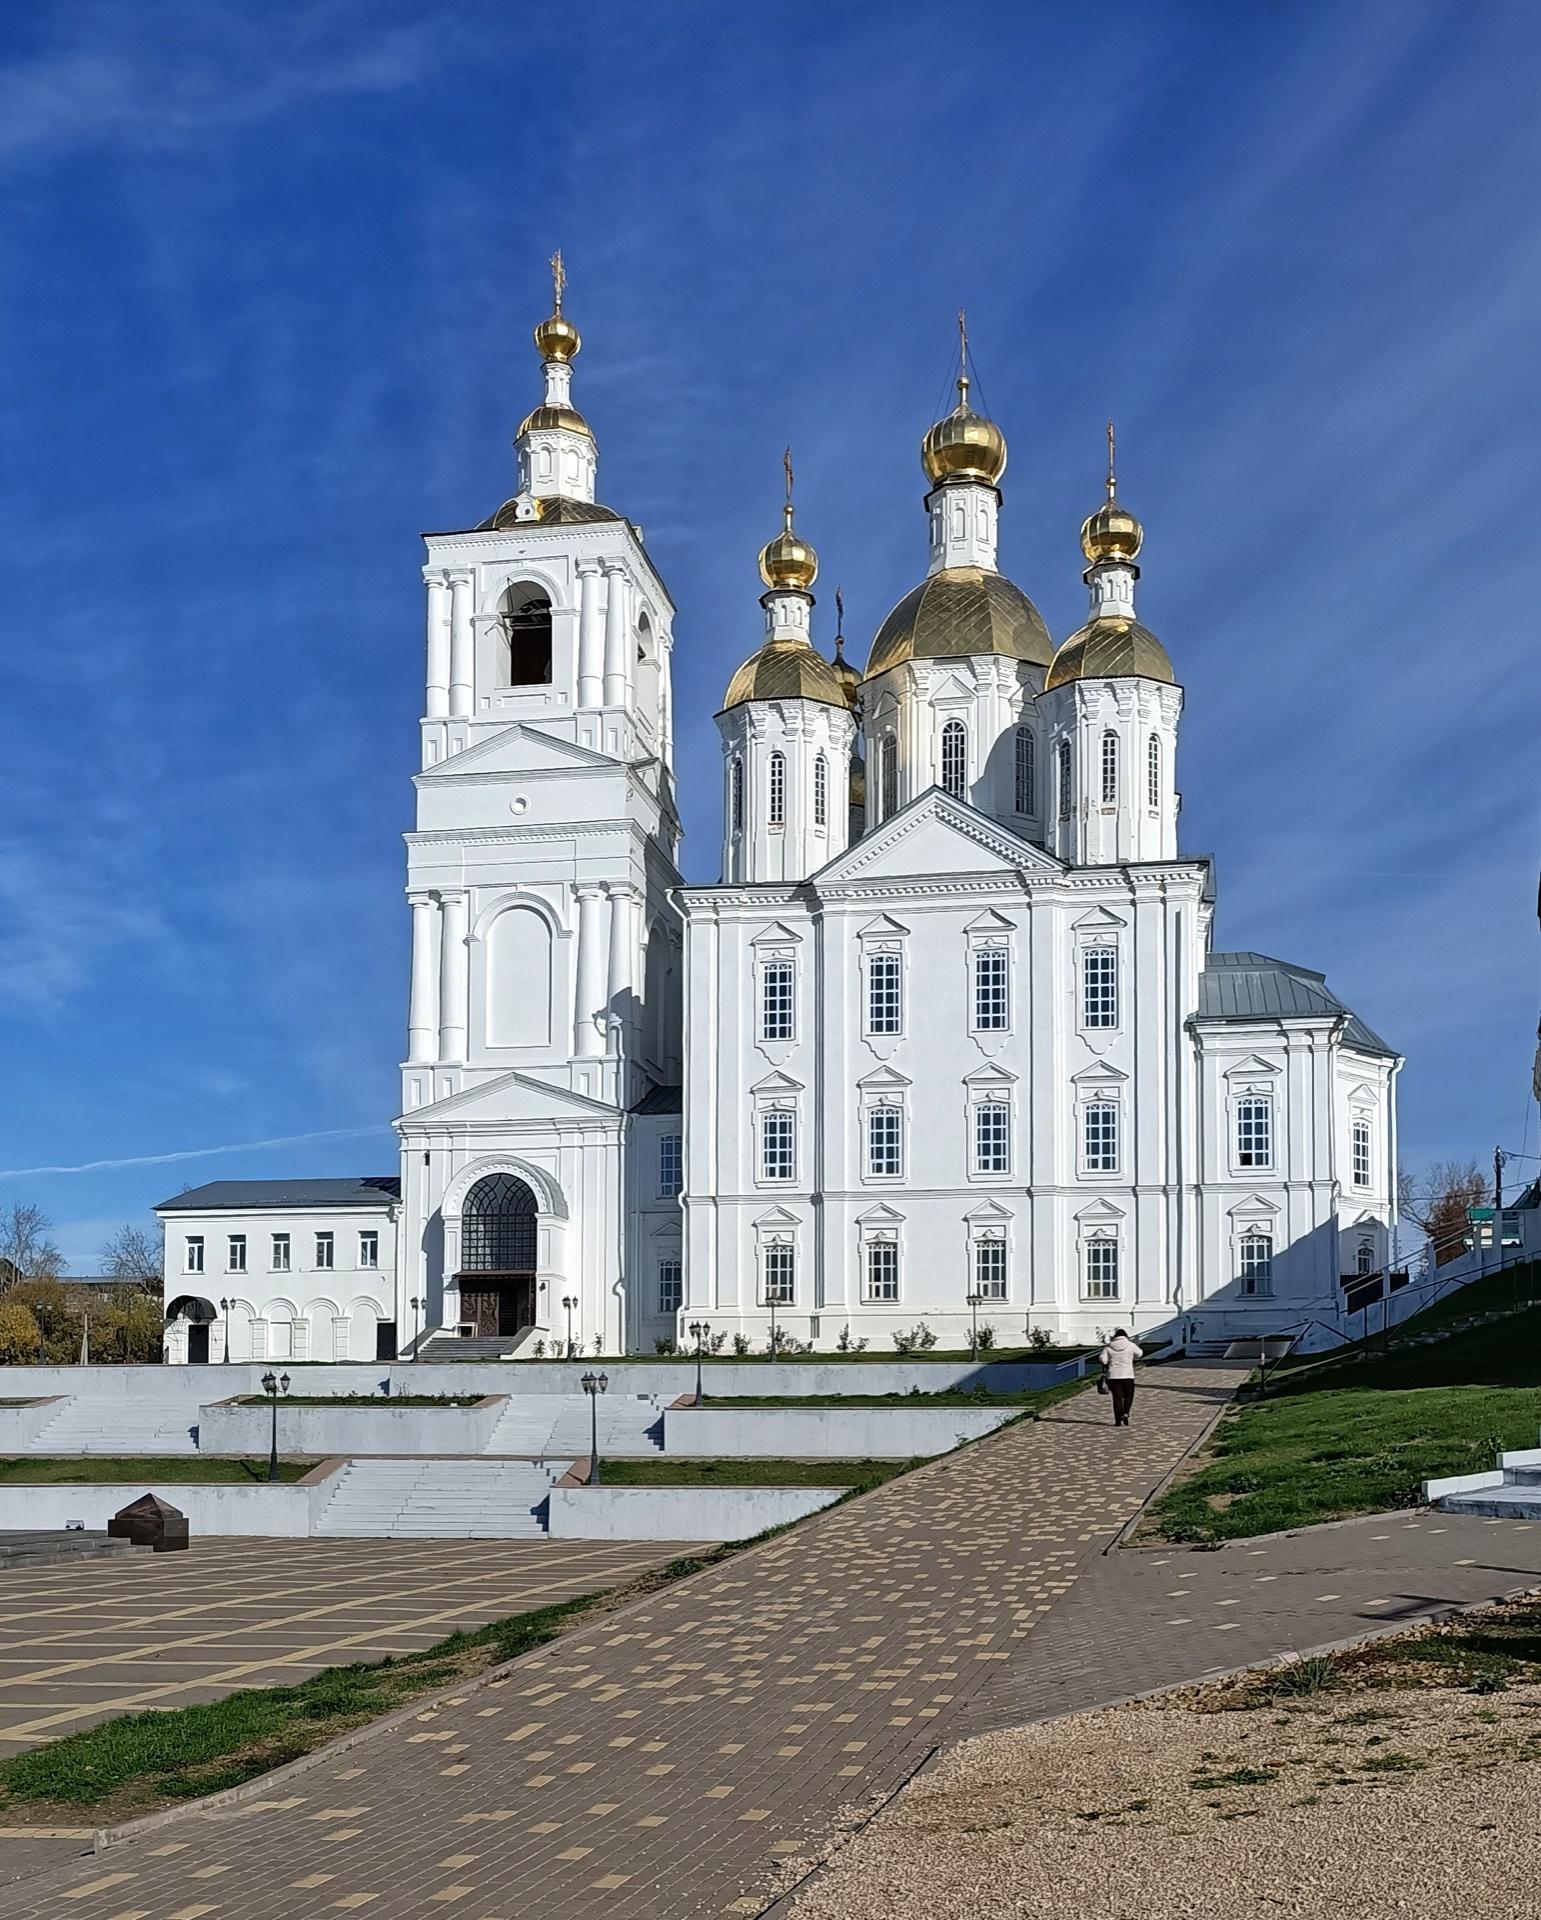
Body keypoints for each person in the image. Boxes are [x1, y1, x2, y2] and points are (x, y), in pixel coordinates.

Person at [1099, 1328, 1143, 1427]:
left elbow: (1103, 1360)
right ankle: (1126, 1413)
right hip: (1128, 1375)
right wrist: (1132, 1357)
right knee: (1128, 1396)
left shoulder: (1108, 1347)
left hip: (1113, 1376)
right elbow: (1140, 1353)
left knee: (1117, 1398)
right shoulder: (1131, 1345)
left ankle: (1118, 1420)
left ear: (1115, 1337)